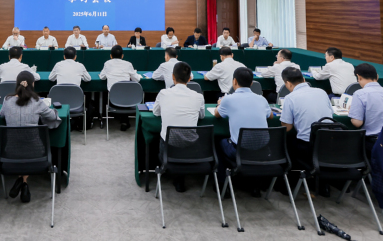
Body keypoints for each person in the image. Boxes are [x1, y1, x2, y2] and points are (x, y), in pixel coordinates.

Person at [0, 71, 62, 203]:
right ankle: (24, 183)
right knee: (28, 148)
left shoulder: (7, 100)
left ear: (17, 84)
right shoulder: (37, 102)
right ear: (33, 84)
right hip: (37, 153)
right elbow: (53, 117)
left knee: (19, 148)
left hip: (10, 153)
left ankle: (22, 181)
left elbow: (1, 115)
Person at [214, 67, 273, 192]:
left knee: (217, 141)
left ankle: (222, 184)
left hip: (239, 151)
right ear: (251, 83)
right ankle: (256, 186)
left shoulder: (228, 100)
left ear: (234, 81)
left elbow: (216, 114)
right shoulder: (262, 99)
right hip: (263, 151)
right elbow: (271, 116)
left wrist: (220, 103)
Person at [152, 61, 205, 192]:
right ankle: (180, 178)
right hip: (192, 149)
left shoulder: (163, 93)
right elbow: (202, 116)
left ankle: (171, 175)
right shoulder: (198, 97)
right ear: (190, 78)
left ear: (172, 77)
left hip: (167, 150)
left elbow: (155, 112)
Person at [279, 67, 333, 180]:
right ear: (303, 79)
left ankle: (289, 183)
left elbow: (287, 128)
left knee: (284, 144)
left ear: (288, 83)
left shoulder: (290, 98)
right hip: (329, 142)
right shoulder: (322, 92)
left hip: (307, 146)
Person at [349, 63, 383, 159]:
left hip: (375, 143)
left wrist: (352, 113)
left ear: (359, 77)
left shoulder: (359, 94)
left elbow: (357, 123)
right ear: (377, 77)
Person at [100, 45, 141, 131]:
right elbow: (136, 79)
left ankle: (123, 120)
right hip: (129, 99)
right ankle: (125, 121)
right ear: (122, 56)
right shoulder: (128, 64)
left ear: (111, 56)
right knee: (124, 94)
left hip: (113, 99)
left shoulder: (107, 63)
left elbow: (102, 77)